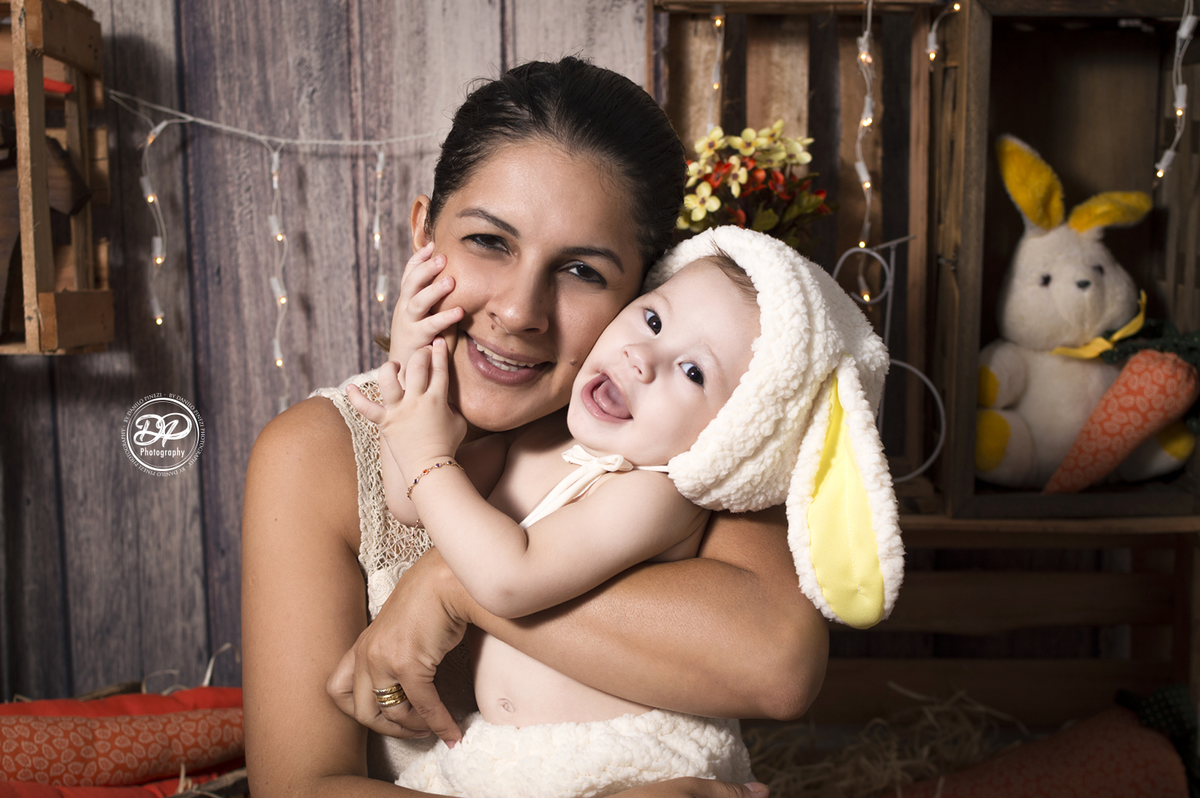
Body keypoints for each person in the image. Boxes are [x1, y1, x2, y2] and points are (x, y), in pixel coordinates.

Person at [242, 57, 831, 798]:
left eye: (583, 271)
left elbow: (779, 667)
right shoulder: (316, 454)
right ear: (424, 232)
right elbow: (300, 788)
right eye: (490, 241)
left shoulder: (685, 439)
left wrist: (455, 585)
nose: (521, 311)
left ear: (645, 286)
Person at [346, 222, 903, 798]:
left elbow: (510, 577)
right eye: (653, 320)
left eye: (693, 372)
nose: (642, 359)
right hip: (515, 757)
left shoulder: (655, 493)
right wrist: (412, 364)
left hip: (621, 766)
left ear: (734, 438)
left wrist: (430, 456)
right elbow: (411, 501)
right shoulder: (540, 438)